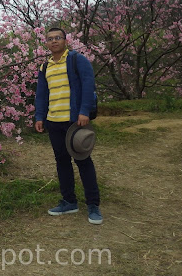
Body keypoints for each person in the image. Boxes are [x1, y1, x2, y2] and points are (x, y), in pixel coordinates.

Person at [34, 27, 103, 224]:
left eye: (58, 38)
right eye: (50, 39)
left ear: (65, 40)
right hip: (53, 121)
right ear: (45, 43)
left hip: (74, 121)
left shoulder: (76, 59)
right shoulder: (45, 67)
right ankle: (69, 201)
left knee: (83, 160)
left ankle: (93, 205)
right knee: (62, 161)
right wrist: (40, 116)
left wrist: (84, 111)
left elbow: (89, 85)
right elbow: (42, 94)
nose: (54, 41)